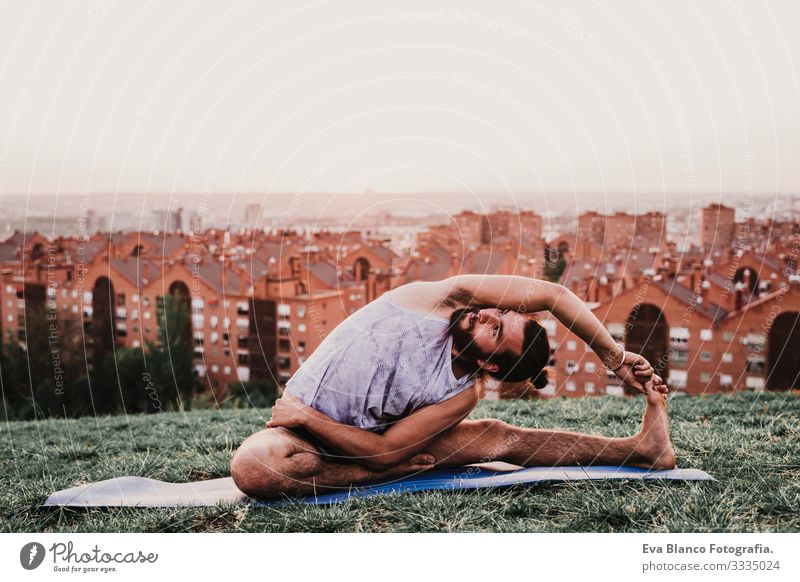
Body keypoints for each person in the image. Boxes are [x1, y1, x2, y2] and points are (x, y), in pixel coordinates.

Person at [230, 275, 675, 499]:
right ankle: (377, 480)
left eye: (496, 331)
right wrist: (614, 358)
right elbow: (554, 296)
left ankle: (643, 450)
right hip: (296, 438)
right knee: (254, 466)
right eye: (498, 313)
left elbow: (383, 449)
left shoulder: (463, 393)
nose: (488, 316)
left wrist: (309, 416)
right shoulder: (437, 300)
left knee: (498, 438)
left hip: (349, 443)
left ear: (486, 362)